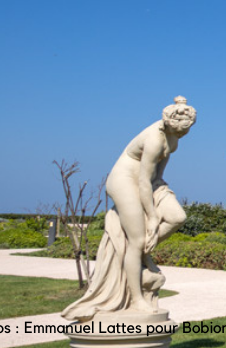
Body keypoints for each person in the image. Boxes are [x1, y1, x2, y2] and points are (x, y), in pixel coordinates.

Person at [63, 97, 196, 321]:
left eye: (186, 131)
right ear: (169, 124)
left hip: (149, 182)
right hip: (125, 182)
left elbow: (157, 174)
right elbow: (143, 180)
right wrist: (152, 217)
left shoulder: (174, 138)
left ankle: (141, 256)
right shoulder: (155, 139)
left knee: (177, 217)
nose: (183, 135)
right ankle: (136, 298)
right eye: (181, 131)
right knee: (137, 240)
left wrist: (160, 193)